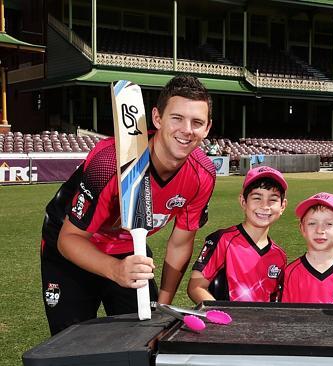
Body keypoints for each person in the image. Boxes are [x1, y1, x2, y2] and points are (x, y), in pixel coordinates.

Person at [40, 75, 216, 335]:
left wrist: (162, 303)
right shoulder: (109, 162)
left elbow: (180, 243)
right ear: (157, 118)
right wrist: (115, 270)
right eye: (177, 118)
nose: (187, 130)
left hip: (129, 248)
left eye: (197, 122)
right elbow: (70, 239)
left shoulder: (203, 174)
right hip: (71, 245)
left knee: (144, 340)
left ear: (207, 128)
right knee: (71, 344)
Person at [188, 166, 288, 303]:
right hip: (228, 322)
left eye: (273, 199)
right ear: (243, 201)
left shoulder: (279, 256)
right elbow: (196, 287)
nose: (265, 206)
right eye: (257, 198)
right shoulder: (223, 240)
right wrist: (222, 315)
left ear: (282, 206)